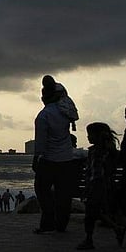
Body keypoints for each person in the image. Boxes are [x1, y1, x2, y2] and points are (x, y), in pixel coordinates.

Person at [32, 75, 76, 234]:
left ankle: (48, 222)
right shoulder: (65, 112)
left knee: (42, 191)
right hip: (66, 159)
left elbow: (41, 143)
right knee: (64, 194)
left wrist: (36, 159)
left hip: (49, 160)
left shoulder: (43, 116)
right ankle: (62, 224)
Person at [76, 123, 126, 250]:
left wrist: (89, 187)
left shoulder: (96, 151)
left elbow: (95, 172)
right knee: (95, 211)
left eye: (89, 134)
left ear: (97, 136)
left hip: (97, 186)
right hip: (104, 185)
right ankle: (117, 228)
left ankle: (89, 239)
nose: (87, 137)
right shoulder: (108, 151)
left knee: (90, 214)